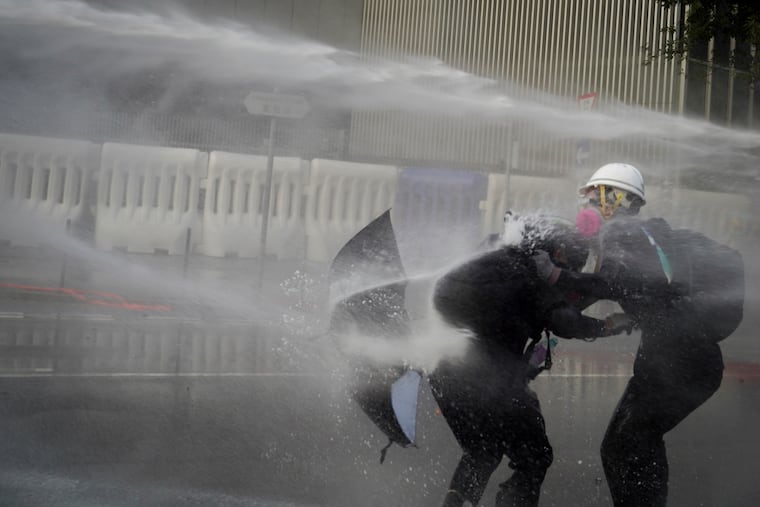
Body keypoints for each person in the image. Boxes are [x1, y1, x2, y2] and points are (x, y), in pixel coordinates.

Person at [540, 163, 745, 507]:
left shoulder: (624, 235)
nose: (586, 206)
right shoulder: (632, 239)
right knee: (622, 445)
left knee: (632, 440)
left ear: (614, 199)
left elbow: (608, 283)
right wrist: (560, 308)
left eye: (592, 196)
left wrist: (557, 278)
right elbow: (609, 288)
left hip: (685, 362)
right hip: (668, 358)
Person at [430, 215, 634, 507]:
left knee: (482, 452)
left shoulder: (494, 256)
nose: (569, 275)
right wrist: (607, 326)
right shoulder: (534, 277)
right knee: (535, 456)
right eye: (572, 266)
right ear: (560, 253)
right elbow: (565, 322)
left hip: (446, 373)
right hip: (490, 379)